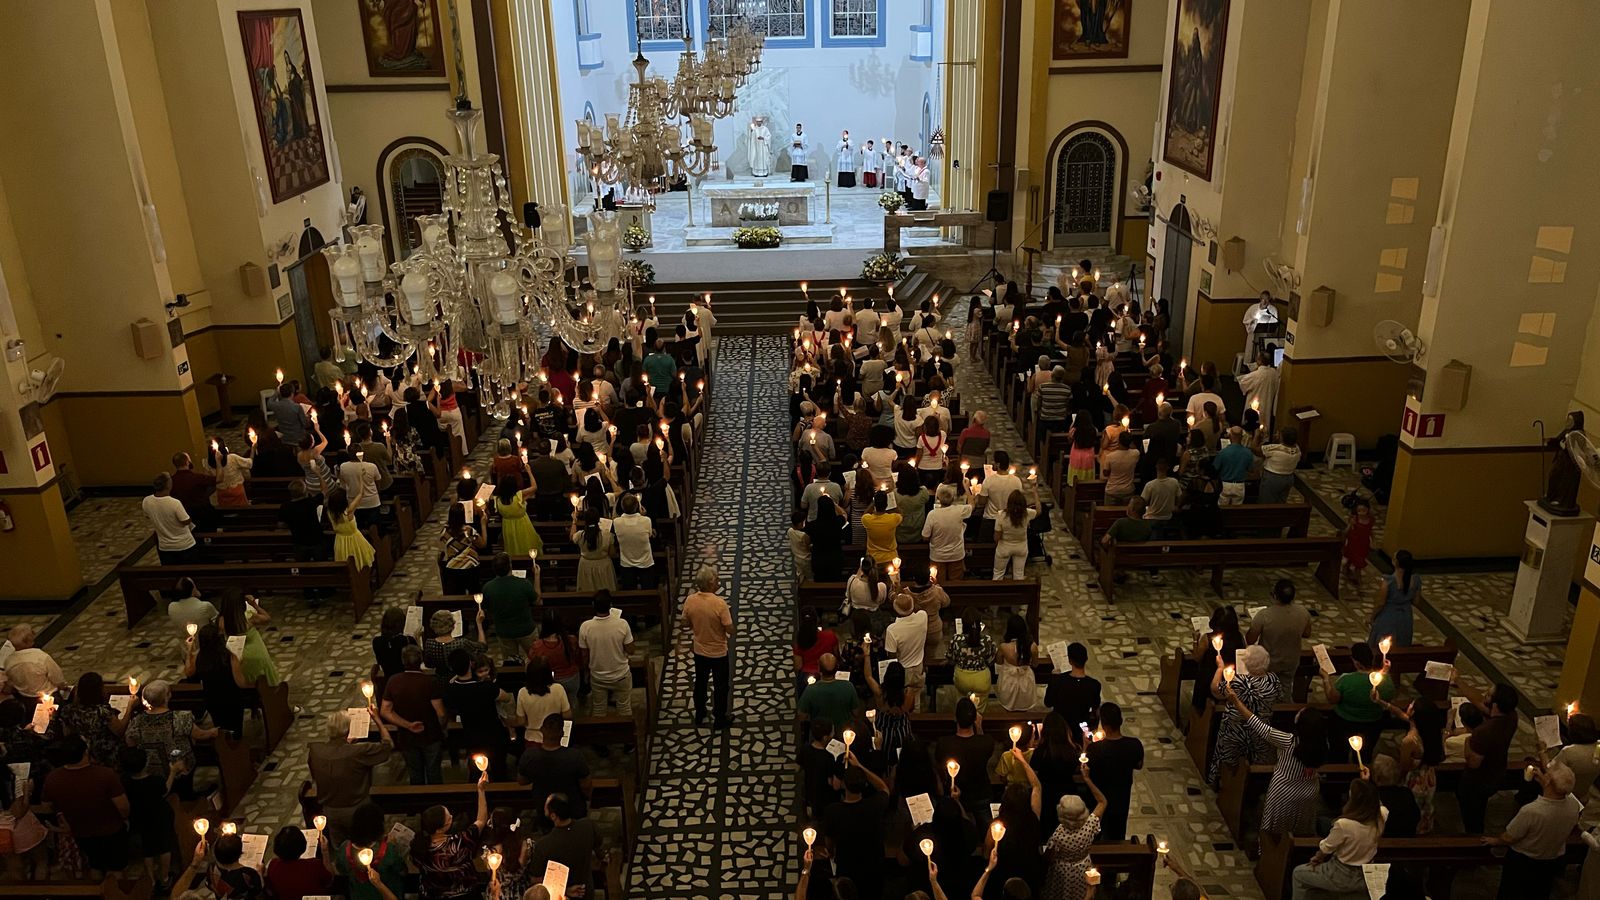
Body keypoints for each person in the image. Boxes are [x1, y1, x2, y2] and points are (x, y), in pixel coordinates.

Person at [1485, 761, 1582, 900]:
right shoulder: (1573, 805)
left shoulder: (1532, 811)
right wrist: (1543, 778)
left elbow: (1510, 837)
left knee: (1512, 893)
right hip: (1550, 860)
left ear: (1548, 783)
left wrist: (1495, 840)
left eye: (1547, 775)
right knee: (1539, 892)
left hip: (1524, 863)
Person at [43, 735, 130, 876]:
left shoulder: (52, 778)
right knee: (115, 868)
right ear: (85, 753)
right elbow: (123, 807)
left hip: (80, 831)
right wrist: (125, 819)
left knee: (95, 864)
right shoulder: (106, 774)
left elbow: (47, 806)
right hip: (111, 830)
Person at [1289, 779, 1386, 900]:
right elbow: (1379, 804)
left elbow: (1326, 848)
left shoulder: (1344, 824)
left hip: (1340, 874)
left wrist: (1317, 858)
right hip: (1364, 874)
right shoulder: (1381, 817)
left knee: (1298, 874)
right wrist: (1366, 782)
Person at [308, 709, 393, 844]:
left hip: (330, 810)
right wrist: (378, 721)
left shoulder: (316, 751)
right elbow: (387, 746)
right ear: (348, 730)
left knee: (340, 846)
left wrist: (347, 745)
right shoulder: (357, 752)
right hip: (357, 810)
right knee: (365, 845)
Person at [1453, 677, 1520, 834]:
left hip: (1477, 782)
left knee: (1473, 815)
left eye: (1488, 695)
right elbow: (1479, 702)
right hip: (1497, 771)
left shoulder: (1483, 732)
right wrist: (1458, 681)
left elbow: (1473, 763)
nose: (1484, 696)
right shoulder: (1511, 716)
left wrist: (1468, 740)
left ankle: (1473, 840)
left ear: (1495, 705)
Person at [1207, 644, 1280, 784]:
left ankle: (1225, 783)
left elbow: (1215, 690)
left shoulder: (1238, 681)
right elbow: (1278, 696)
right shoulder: (1273, 679)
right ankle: (1253, 787)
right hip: (1261, 730)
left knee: (1230, 762)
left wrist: (1220, 668)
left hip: (1236, 731)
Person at [410, 770, 489, 898]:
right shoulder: (460, 841)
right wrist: (481, 790)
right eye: (448, 818)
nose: (452, 816)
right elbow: (481, 820)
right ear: (440, 828)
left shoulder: (418, 845)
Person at [380, 644, 447, 784]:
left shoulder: (394, 681)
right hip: (431, 735)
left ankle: (419, 801)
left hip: (407, 736)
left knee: (414, 772)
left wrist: (408, 725)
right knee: (434, 771)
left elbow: (385, 710)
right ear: (420, 660)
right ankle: (437, 801)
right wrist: (442, 727)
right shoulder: (430, 682)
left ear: (403, 661)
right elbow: (440, 713)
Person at [1320, 642, 1393, 764]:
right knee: (1365, 755)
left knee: (1338, 753)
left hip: (1344, 722)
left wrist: (1326, 679)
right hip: (1373, 724)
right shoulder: (1385, 680)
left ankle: (1337, 772)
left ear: (1356, 662)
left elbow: (1332, 699)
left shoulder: (1347, 680)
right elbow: (1389, 697)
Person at [446, 648, 512, 781]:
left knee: (476, 771)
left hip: (471, 736)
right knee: (499, 769)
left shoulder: (452, 689)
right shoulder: (486, 687)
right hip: (494, 735)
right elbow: (506, 697)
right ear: (471, 664)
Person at [1042, 764, 1106, 900]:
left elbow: (1049, 856)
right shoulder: (1090, 823)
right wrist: (1087, 779)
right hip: (1084, 867)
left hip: (1063, 872)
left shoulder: (1058, 835)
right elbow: (1102, 802)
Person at [120, 745, 179, 891]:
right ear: (146, 763)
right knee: (165, 847)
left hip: (139, 817)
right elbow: (165, 791)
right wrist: (173, 772)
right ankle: (165, 878)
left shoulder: (125, 781)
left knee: (148, 849)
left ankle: (151, 880)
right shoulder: (155, 780)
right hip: (159, 817)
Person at [683, 564, 734, 728]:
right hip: (718, 652)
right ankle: (719, 717)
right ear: (711, 583)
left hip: (700, 650)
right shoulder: (719, 604)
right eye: (717, 579)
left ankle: (700, 712)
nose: (719, 581)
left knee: (700, 682)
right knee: (721, 686)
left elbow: (684, 622)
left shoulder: (690, 600)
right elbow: (729, 629)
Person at [517, 713, 592, 824]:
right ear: (562, 733)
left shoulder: (530, 756)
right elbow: (586, 784)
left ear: (542, 730)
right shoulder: (574, 756)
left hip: (545, 810)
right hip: (573, 809)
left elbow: (521, 781)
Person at [1085, 702, 1143, 842]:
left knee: (1095, 833)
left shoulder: (1095, 749)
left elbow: (1088, 766)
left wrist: (1088, 747)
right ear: (1121, 721)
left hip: (1099, 797)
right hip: (1122, 797)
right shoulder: (1134, 744)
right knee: (1118, 834)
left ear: (1103, 724)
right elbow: (1139, 765)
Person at [527, 792, 602, 900]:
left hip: (559, 896)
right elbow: (598, 845)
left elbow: (536, 880)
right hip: (587, 891)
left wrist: (564, 889)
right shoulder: (588, 826)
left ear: (553, 816)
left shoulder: (544, 845)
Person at [936, 696, 998, 823]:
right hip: (981, 794)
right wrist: (979, 727)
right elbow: (984, 744)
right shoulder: (987, 742)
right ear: (975, 719)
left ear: (955, 718)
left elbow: (939, 765)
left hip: (955, 793)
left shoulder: (944, 743)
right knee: (986, 829)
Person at [579, 592, 635, 719]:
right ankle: (626, 734)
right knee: (624, 707)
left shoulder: (585, 627)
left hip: (598, 676)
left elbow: (584, 655)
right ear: (611, 605)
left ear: (593, 605)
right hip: (621, 674)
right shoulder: (622, 624)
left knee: (598, 709)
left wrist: (588, 671)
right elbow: (631, 650)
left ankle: (601, 734)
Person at [186, 623, 249, 734]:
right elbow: (241, 683)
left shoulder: (199, 657)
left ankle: (223, 746)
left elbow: (189, 672)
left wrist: (189, 651)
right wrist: (240, 664)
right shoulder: (229, 657)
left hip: (212, 699)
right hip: (231, 699)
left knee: (220, 727)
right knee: (236, 728)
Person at [1246, 579, 1312, 685]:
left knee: (1265, 688)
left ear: (1275, 596)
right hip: (1291, 660)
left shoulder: (1264, 615)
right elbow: (1307, 633)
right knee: (1285, 688)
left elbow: (1250, 640)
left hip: (1269, 662)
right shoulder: (1303, 613)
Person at [480, 553, 538, 659]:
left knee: (511, 661)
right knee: (535, 659)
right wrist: (537, 576)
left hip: (504, 631)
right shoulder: (523, 583)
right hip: (526, 629)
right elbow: (537, 601)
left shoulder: (488, 588)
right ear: (510, 566)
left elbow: (485, 607)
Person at [265, 824, 336, 900]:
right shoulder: (314, 865)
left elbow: (272, 890)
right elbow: (329, 880)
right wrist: (325, 852)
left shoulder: (273, 865)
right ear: (303, 845)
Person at [923, 482, 977, 581]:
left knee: (938, 583)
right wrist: (966, 488)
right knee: (956, 583)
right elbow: (972, 505)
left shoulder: (932, 514)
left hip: (938, 555)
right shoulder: (959, 511)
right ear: (953, 499)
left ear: (938, 499)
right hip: (956, 554)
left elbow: (925, 536)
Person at [885, 592, 930, 709]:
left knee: (901, 701)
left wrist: (897, 599)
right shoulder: (922, 617)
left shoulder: (892, 630)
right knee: (916, 697)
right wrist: (906, 599)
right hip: (918, 666)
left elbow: (892, 656)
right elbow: (919, 608)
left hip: (902, 670)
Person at [144, 472, 200, 565]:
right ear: (168, 485)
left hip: (164, 546)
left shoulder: (147, 501)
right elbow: (185, 521)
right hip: (184, 545)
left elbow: (147, 515)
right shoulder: (174, 503)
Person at [1368, 548, 1419, 647]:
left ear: (1396, 562)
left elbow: (1380, 603)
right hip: (1406, 616)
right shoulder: (1416, 580)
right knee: (1402, 642)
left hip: (1388, 616)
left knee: (1382, 645)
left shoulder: (1388, 581)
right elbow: (1416, 601)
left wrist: (1372, 617)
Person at [1044, 642, 1101, 731]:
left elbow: (1048, 703)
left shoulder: (1058, 681)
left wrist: (1053, 678)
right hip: (1080, 728)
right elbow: (1095, 708)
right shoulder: (1094, 685)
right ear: (1086, 659)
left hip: (1060, 728)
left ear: (1070, 661)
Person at [1, 624, 65, 697]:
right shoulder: (41, 657)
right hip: (47, 697)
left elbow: (11, 681)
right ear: (29, 641)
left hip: (24, 697)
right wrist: (63, 686)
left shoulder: (9, 661)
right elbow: (57, 678)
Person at [799, 653, 858, 731]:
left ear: (819, 669)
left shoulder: (810, 690)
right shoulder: (848, 686)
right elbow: (856, 712)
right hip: (844, 733)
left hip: (819, 734)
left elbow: (801, 717)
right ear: (837, 668)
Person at [515, 657, 573, 733]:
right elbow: (567, 716)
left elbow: (521, 721)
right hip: (554, 736)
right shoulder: (558, 689)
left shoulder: (522, 692)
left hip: (532, 736)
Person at [949, 609, 997, 700]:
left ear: (963, 624)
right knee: (980, 709)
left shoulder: (956, 639)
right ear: (979, 624)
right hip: (981, 679)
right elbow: (991, 660)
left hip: (962, 679)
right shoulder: (987, 640)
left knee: (962, 702)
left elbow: (951, 658)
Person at [792, 607, 839, 698]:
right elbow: (836, 655)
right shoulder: (830, 635)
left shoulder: (799, 640)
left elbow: (798, 666)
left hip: (806, 677)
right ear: (817, 620)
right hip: (827, 673)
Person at [328, 485, 377, 572]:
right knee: (359, 561)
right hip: (355, 540)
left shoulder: (330, 513)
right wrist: (361, 481)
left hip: (340, 541)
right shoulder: (348, 513)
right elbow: (360, 495)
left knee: (344, 564)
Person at [996, 615, 1040, 711]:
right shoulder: (1032, 646)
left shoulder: (1004, 647)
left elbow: (999, 662)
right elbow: (1035, 664)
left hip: (1008, 682)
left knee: (1008, 709)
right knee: (1024, 708)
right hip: (1026, 682)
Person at [1370, 754, 1420, 837]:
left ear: (1376, 776)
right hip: (1406, 838)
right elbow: (1416, 816)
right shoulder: (1406, 793)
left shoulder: (1372, 796)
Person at [495, 473, 542, 561]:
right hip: (523, 525)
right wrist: (529, 472)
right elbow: (535, 487)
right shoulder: (519, 495)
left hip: (507, 527)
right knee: (527, 545)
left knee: (512, 548)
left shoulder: (498, 499)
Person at [993, 490, 1038, 581]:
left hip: (1004, 547)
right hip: (1021, 547)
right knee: (1019, 574)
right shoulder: (1027, 513)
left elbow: (996, 537)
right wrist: (1035, 493)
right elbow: (1039, 511)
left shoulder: (1001, 515)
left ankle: (997, 593)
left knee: (998, 573)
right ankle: (1018, 593)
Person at [1255, 427, 1301, 503]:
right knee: (1281, 501)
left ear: (1283, 438)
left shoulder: (1276, 449)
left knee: (1266, 501)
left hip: (1273, 478)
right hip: (1288, 477)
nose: (1276, 435)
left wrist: (1257, 435)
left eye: (1279, 434)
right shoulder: (1297, 449)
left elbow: (1254, 449)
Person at [372, 606, 418, 678]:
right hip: (406, 679)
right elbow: (417, 659)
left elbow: (380, 661)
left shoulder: (377, 642)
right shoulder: (407, 641)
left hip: (389, 680)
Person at [1341, 499, 1376, 595]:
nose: (1361, 513)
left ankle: (1347, 568)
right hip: (1354, 543)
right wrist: (1350, 526)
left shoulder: (1370, 520)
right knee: (1357, 562)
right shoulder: (1354, 520)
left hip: (1363, 544)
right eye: (1359, 511)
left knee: (1356, 559)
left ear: (1368, 510)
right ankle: (1358, 580)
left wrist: (1373, 541)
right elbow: (1346, 531)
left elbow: (1370, 531)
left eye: (1363, 511)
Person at [1139, 460, 1182, 538]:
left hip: (1151, 518)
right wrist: (1177, 506)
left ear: (1156, 467)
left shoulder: (1150, 485)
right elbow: (1180, 497)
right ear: (1168, 468)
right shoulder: (1174, 482)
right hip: (1167, 517)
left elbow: (1143, 502)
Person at [1214, 426, 1255, 505]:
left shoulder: (1223, 452)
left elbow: (1215, 468)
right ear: (1242, 437)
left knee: (1223, 510)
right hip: (1239, 485)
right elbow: (1251, 470)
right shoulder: (1248, 453)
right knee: (1237, 511)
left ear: (1230, 436)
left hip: (1225, 485)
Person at [861, 491, 903, 565]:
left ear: (875, 505)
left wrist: (873, 503)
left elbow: (864, 514)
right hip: (891, 557)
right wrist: (892, 500)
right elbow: (900, 513)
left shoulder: (868, 520)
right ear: (886, 505)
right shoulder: (893, 519)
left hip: (873, 558)